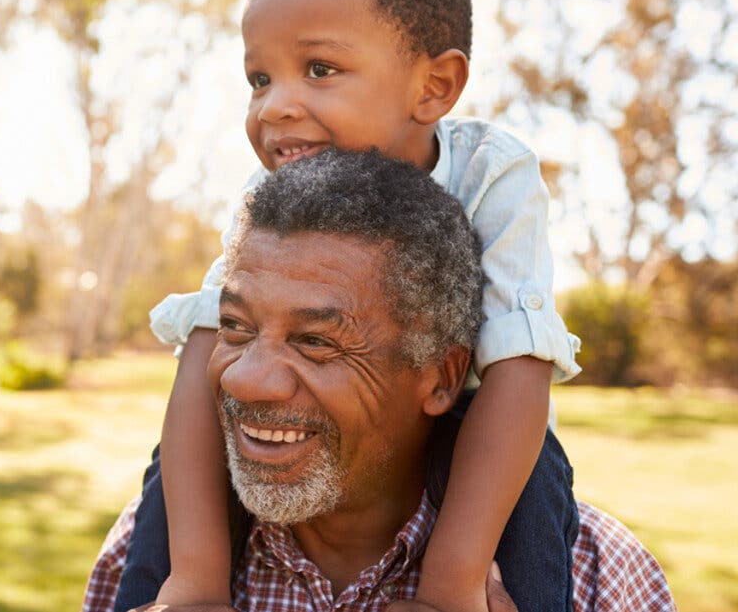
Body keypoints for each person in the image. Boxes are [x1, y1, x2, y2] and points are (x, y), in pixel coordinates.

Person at [116, 0, 582, 612]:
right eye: (259, 79)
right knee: (172, 467)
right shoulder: (270, 193)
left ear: (434, 86)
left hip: (481, 427)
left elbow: (521, 364)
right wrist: (194, 580)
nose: (276, 105)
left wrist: (451, 590)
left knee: (537, 482)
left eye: (319, 69)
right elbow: (204, 348)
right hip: (331, 446)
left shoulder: (490, 172)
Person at [86, 150, 674, 612]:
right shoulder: (148, 556)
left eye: (315, 341)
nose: (247, 381)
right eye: (235, 328)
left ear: (442, 378)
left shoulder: (597, 576)